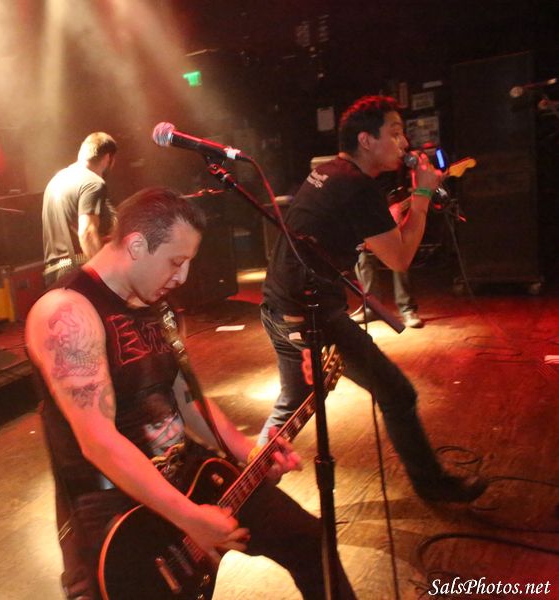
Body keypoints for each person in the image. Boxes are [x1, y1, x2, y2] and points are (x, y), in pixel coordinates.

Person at [26, 187, 355, 599]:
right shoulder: (68, 312)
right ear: (136, 245)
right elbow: (99, 442)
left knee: (310, 540)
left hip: (193, 476)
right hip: (121, 513)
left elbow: (186, 399)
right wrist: (189, 518)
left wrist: (248, 452)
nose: (182, 277)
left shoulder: (157, 305)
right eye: (175, 262)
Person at [259, 95, 487, 503]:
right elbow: (399, 259)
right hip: (312, 313)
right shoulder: (357, 187)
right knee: (397, 393)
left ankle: (249, 482)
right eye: (395, 133)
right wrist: (421, 195)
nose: (404, 143)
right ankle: (433, 487)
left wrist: (394, 218)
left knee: (293, 402)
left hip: (280, 305)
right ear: (366, 140)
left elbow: (344, 232)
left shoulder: (329, 172)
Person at [41, 132, 117, 287]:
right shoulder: (93, 183)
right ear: (108, 158)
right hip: (78, 269)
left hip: (53, 274)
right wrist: (106, 275)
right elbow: (87, 232)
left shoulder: (57, 180)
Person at [352, 171, 423, 328]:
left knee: (399, 257)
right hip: (368, 212)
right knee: (363, 257)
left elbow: (407, 186)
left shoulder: (393, 163)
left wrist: (398, 204)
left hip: (393, 209)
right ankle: (372, 308)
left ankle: (407, 308)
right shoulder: (357, 170)